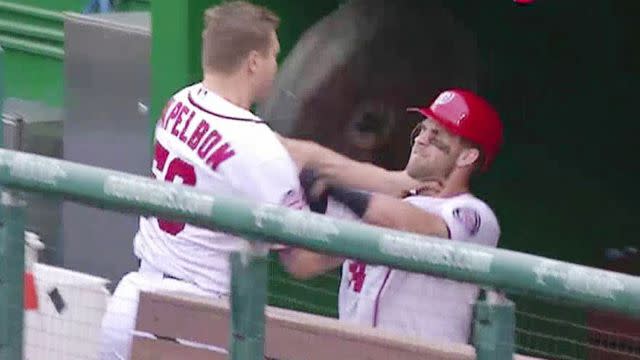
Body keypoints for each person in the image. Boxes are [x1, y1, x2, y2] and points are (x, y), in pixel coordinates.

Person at [99, 2, 306, 359]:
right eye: (274, 55)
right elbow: (303, 259)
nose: (277, 66)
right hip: (190, 320)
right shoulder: (258, 145)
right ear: (253, 63)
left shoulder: (180, 101)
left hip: (131, 301)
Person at [279, 89, 504, 344]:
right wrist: (290, 194)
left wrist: (334, 186)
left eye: (436, 134)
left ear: (467, 156)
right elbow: (303, 263)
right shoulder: (380, 205)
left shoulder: (475, 215)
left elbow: (413, 225)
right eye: (422, 129)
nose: (421, 139)